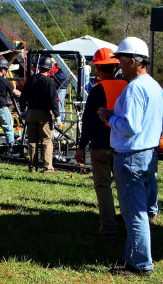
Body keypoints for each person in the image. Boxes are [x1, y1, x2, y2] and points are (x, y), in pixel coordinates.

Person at [97, 37, 163, 277]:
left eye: (121, 61)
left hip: (131, 156)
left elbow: (131, 125)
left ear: (133, 61)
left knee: (133, 214)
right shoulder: (153, 86)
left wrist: (107, 118)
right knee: (140, 210)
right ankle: (133, 257)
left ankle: (140, 264)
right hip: (147, 153)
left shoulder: (134, 88)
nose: (118, 66)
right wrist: (115, 113)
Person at [74, 48, 126, 239]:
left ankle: (108, 227)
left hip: (101, 146)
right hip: (123, 146)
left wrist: (81, 146)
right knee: (125, 187)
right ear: (115, 66)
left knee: (103, 187)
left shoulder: (96, 91)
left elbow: (87, 121)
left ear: (97, 69)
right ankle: (131, 223)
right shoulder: (127, 86)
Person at [20, 56, 59, 173]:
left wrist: (23, 110)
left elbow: (23, 96)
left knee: (32, 141)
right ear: (49, 69)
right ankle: (47, 167)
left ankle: (33, 167)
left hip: (31, 112)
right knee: (46, 140)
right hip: (44, 113)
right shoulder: (49, 82)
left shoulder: (31, 79)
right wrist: (57, 115)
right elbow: (53, 100)